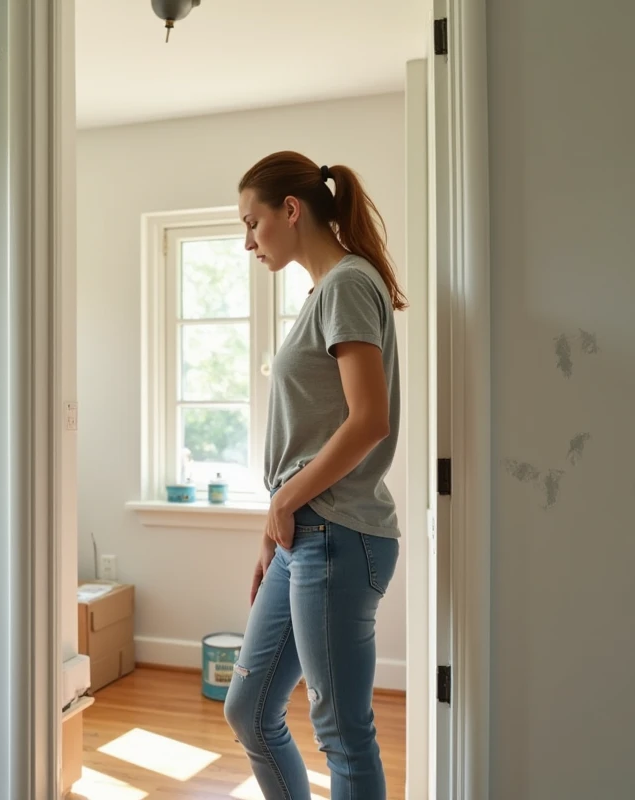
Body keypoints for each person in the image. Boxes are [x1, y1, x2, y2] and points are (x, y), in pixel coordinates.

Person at [223, 150, 406, 800]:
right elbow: (315, 437)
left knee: (342, 733)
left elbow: (369, 420)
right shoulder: (325, 292)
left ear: (291, 210)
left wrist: (286, 503)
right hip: (306, 535)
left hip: (337, 535)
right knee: (248, 709)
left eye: (253, 222)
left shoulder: (349, 284)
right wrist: (275, 529)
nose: (248, 241)